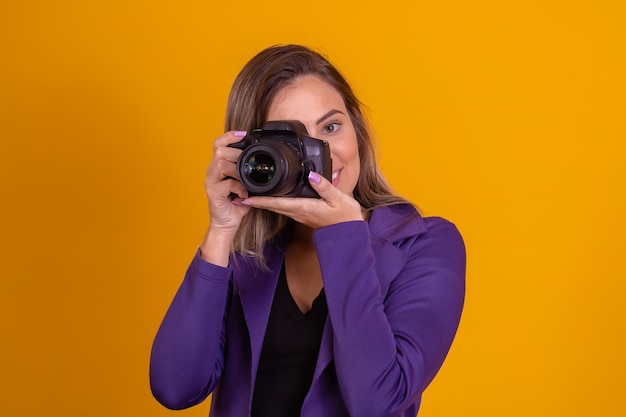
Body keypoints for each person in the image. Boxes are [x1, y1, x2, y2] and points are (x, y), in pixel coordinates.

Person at [150, 44, 466, 417]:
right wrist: (221, 231)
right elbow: (175, 387)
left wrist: (344, 235)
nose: (322, 152)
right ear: (255, 152)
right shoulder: (248, 254)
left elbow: (377, 403)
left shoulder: (424, 244)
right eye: (292, 141)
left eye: (331, 127)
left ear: (359, 133)